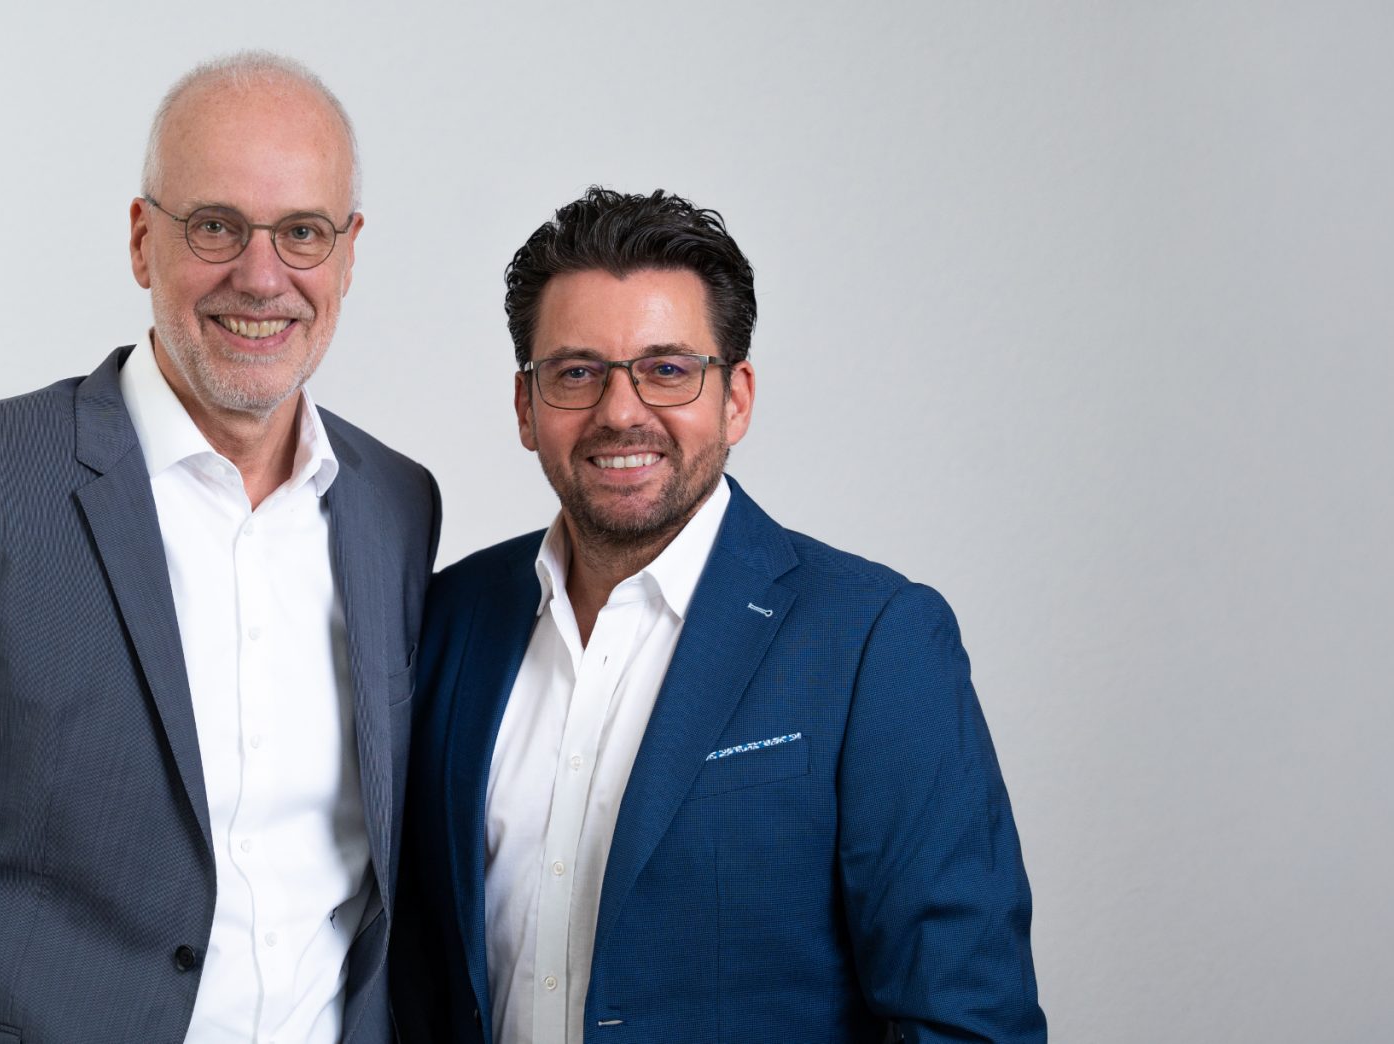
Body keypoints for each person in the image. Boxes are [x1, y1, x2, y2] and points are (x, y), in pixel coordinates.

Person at [0, 52, 438, 1044]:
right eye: (215, 226)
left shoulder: (395, 505)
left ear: (348, 255)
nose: (261, 275)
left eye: (302, 232)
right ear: (143, 240)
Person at [393, 187, 1042, 1043]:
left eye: (667, 369)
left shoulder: (875, 641)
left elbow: (966, 1018)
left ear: (736, 397)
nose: (620, 411)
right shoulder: (448, 619)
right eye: (576, 372)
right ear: (526, 406)